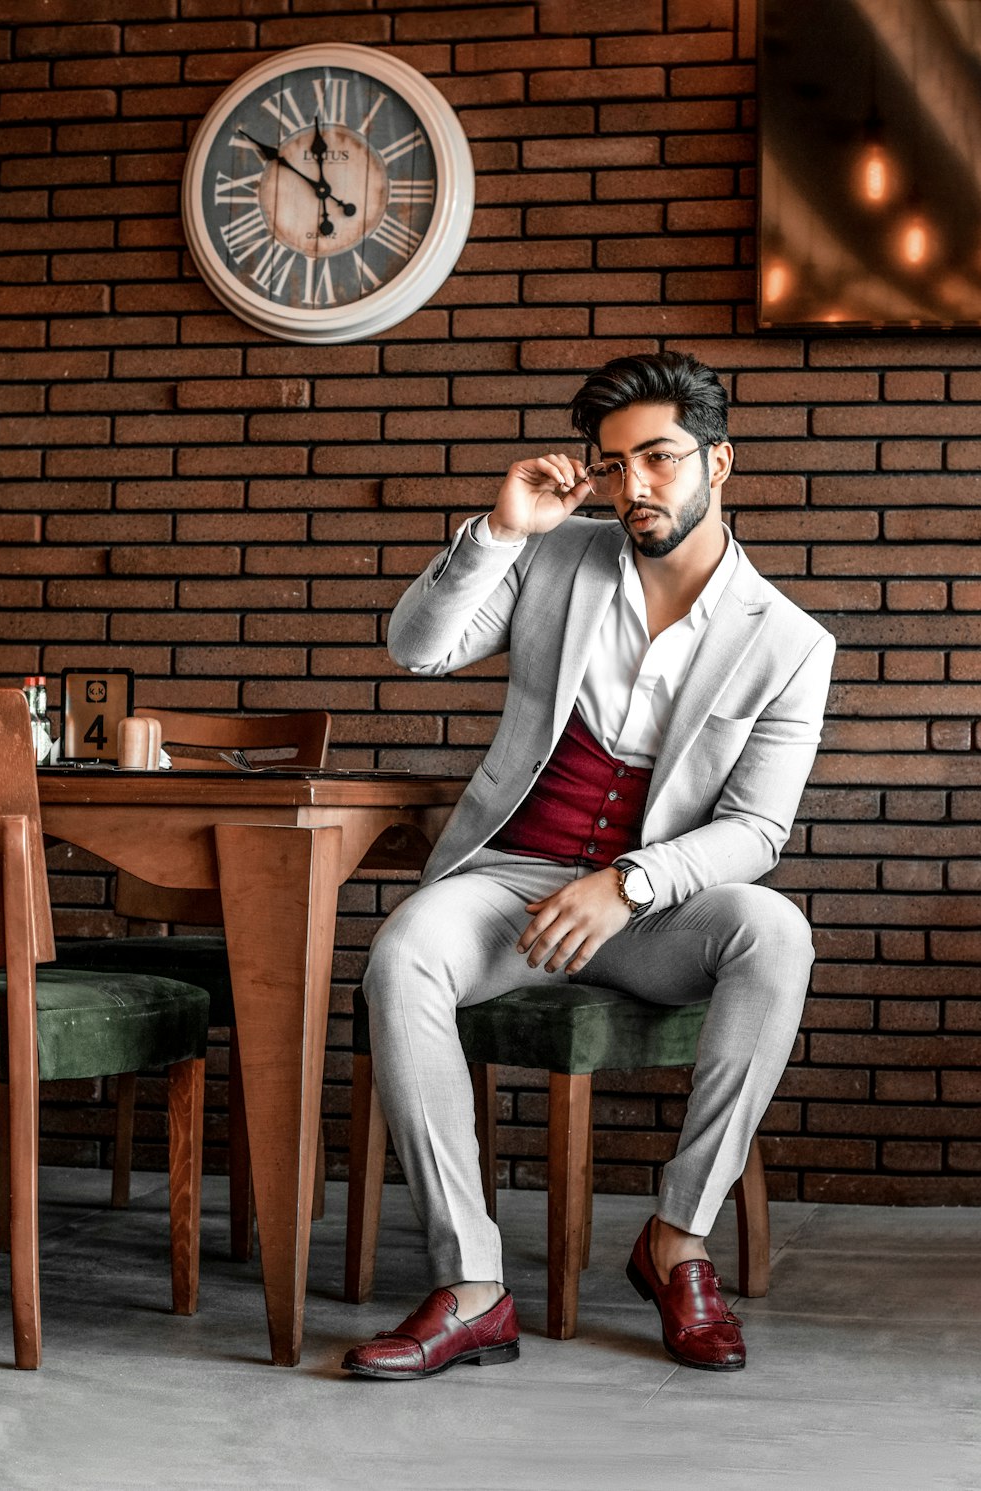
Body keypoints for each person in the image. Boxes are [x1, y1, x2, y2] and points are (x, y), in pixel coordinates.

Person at [342, 350, 835, 1380]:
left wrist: (630, 884)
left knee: (774, 929)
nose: (634, 487)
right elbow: (416, 648)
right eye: (612, 466)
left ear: (719, 461)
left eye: (658, 458)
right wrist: (499, 533)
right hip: (508, 882)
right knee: (399, 956)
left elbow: (755, 831)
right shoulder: (554, 555)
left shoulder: (788, 641)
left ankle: (677, 1240)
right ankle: (472, 1286)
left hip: (650, 916)